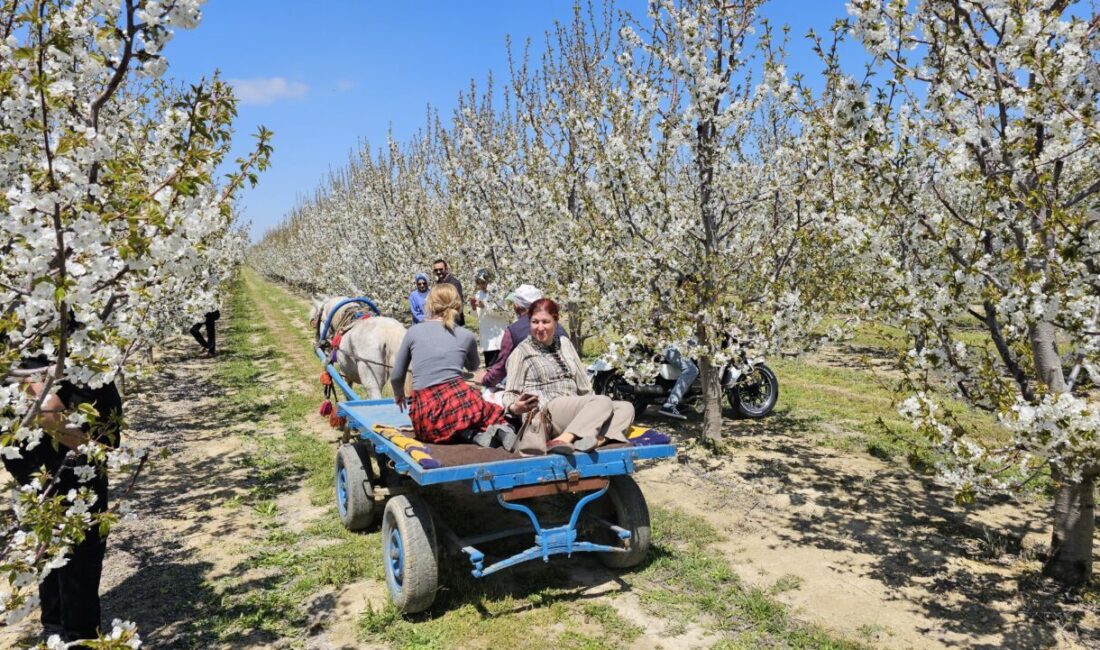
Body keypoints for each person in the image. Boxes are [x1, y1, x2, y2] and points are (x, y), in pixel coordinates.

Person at [2, 359, 122, 643]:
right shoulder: (39, 334)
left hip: (53, 461)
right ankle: (76, 636)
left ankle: (56, 628)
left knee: (52, 543)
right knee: (78, 549)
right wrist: (96, 450)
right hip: (62, 461)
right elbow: (46, 406)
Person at [501, 298, 633, 455]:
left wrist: (595, 410)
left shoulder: (565, 343)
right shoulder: (521, 352)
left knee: (626, 407)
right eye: (535, 322)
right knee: (602, 401)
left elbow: (584, 385)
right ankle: (562, 440)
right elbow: (509, 394)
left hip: (574, 409)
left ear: (556, 322)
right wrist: (515, 407)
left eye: (545, 322)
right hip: (547, 412)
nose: (540, 327)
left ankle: (594, 440)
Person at [390, 284, 513, 447]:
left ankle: (470, 434)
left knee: (447, 417)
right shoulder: (466, 335)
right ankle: (502, 428)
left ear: (430, 304)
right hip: (459, 406)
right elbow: (473, 366)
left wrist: (399, 394)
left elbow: (397, 376)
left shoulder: (413, 332)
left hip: (426, 417)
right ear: (457, 305)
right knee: (481, 407)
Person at [479, 284, 565, 389]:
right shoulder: (559, 328)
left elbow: (501, 369)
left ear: (517, 306)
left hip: (531, 388)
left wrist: (485, 379)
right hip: (563, 384)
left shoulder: (514, 331)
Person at [469, 269, 508, 367]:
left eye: (484, 282)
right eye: (480, 283)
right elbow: (476, 315)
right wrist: (474, 307)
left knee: (499, 368)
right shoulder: (478, 294)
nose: (482, 285)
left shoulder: (498, 293)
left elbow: (502, 313)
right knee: (489, 367)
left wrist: (485, 306)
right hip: (486, 338)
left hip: (498, 338)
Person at [658, 345, 699, 420]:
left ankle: (681, 402)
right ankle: (670, 404)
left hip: (676, 347)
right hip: (670, 348)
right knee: (691, 370)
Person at [431, 258, 465, 326]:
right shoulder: (438, 283)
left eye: (440, 269)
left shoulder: (454, 283)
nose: (438, 272)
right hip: (441, 320)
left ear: (446, 269)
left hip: (454, 321)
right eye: (436, 270)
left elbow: (457, 303)